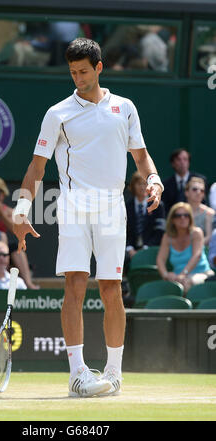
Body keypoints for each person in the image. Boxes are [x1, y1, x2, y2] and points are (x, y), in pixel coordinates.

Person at [12, 38, 163, 398]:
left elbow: (141, 157)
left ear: (98, 68)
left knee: (112, 290)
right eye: (72, 72)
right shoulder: (57, 113)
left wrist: (154, 179)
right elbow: (36, 167)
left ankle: (114, 373)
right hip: (74, 206)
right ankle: (78, 373)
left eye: (83, 71)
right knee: (75, 285)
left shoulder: (124, 108)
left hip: (113, 207)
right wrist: (21, 209)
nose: (77, 78)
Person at [156, 202, 214, 294]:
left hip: (202, 274)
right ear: (172, 219)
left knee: (186, 284)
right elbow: (160, 259)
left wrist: (183, 274)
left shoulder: (196, 233)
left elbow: (197, 255)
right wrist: (166, 275)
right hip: (178, 278)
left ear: (190, 218)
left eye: (186, 215)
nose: (182, 218)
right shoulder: (167, 237)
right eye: (178, 215)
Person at [126, 171, 165, 260]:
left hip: (151, 250)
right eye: (139, 184)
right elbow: (123, 230)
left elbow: (160, 230)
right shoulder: (126, 206)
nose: (143, 187)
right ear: (133, 186)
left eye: (145, 184)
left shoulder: (158, 205)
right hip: (129, 252)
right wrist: (130, 248)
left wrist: (146, 248)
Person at [162, 149, 207, 215]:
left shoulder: (201, 180)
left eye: (185, 159)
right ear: (173, 163)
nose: (182, 162)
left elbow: (204, 203)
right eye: (178, 159)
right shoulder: (165, 184)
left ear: (189, 162)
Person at [185, 177, 215, 246]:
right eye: (194, 189)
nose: (198, 192)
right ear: (186, 192)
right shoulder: (179, 211)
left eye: (202, 190)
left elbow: (209, 237)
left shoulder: (209, 213)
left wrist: (193, 247)